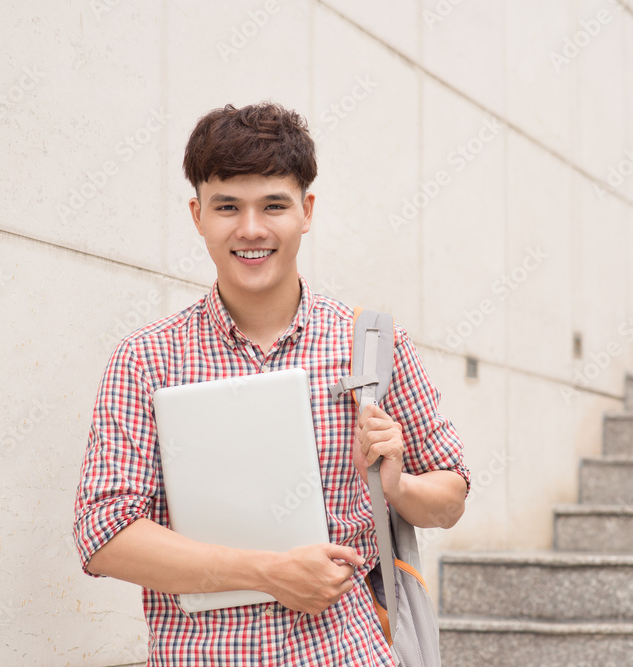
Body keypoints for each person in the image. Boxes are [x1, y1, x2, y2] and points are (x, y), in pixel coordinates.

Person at [73, 102, 469, 666]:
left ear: (306, 211)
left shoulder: (372, 344)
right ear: (197, 214)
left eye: (274, 205)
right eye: (228, 206)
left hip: (347, 653)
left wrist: (398, 486)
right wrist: (269, 573)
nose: (251, 229)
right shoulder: (146, 359)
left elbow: (451, 497)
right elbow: (103, 534)